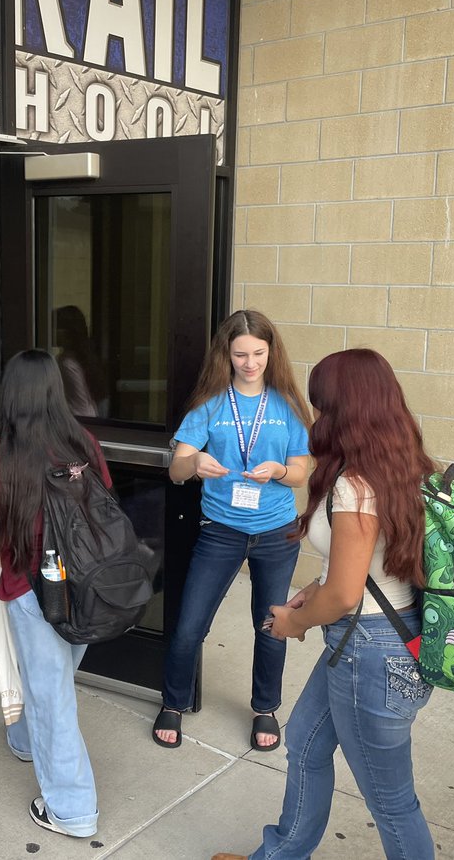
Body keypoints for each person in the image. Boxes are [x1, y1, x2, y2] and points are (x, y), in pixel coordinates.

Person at [213, 348, 437, 860]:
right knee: (307, 745)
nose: (315, 416)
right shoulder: (404, 466)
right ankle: (280, 855)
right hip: (376, 639)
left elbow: (345, 594)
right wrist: (314, 594)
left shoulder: (355, 487)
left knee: (390, 800)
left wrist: (296, 621)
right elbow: (366, 571)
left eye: (320, 405)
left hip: (369, 652)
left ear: (343, 410)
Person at [0, 349, 111, 839]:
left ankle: (72, 810)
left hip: (31, 586)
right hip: (86, 582)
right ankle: (24, 738)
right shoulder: (82, 441)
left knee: (51, 694)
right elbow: (103, 504)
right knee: (52, 676)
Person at [154, 309, 312, 752]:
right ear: (226, 353)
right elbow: (177, 470)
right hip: (221, 529)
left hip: (277, 533)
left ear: (270, 352)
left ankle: (266, 707)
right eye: (240, 353)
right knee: (189, 626)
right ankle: (174, 702)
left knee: (271, 623)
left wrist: (280, 470)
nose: (249, 363)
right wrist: (194, 463)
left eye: (258, 353)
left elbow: (301, 472)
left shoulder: (286, 404)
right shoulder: (211, 403)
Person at [52, 305, 106, 418]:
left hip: (80, 423)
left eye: (55, 327)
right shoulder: (80, 357)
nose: (51, 330)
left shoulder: (67, 364)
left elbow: (79, 407)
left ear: (68, 332)